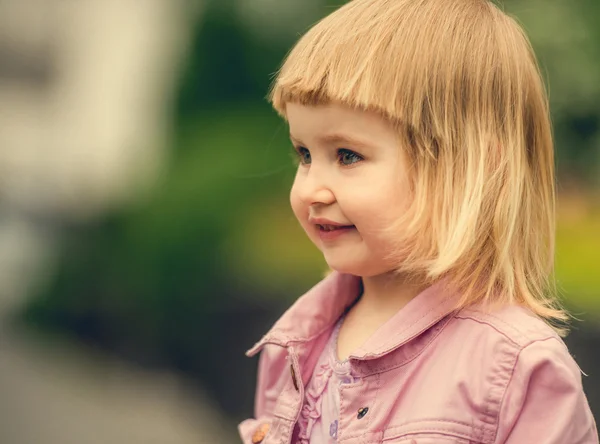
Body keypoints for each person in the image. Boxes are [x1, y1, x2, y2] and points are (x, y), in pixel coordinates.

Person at [239, 0, 599, 442]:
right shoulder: (294, 346)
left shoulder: (515, 368)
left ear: (472, 167)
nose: (311, 188)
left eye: (347, 155)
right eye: (305, 154)